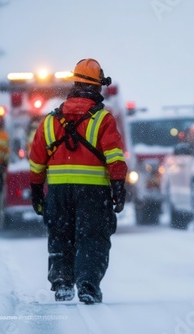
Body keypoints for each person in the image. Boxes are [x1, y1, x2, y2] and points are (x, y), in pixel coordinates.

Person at [28, 58, 128, 304]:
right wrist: (118, 187)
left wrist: (36, 190)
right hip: (93, 192)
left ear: (75, 83)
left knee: (60, 234)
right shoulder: (103, 119)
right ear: (98, 86)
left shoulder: (50, 120)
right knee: (92, 237)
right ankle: (88, 286)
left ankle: (62, 284)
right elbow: (115, 158)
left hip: (59, 192)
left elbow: (37, 160)